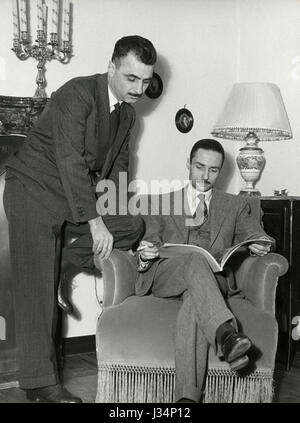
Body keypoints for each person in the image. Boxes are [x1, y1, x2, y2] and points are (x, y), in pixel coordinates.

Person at [3, 35, 157, 403]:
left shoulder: (127, 115)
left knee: (132, 224)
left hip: (73, 200)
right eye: (131, 78)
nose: (138, 88)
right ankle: (40, 385)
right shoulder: (77, 93)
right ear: (112, 67)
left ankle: (63, 267)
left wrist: (122, 221)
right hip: (33, 191)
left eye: (146, 81)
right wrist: (94, 221)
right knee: (36, 292)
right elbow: (71, 161)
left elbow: (118, 170)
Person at [135, 138, 274, 403]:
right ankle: (227, 335)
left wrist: (259, 243)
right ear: (188, 163)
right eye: (199, 167)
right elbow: (148, 243)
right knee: (194, 261)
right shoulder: (160, 202)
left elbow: (260, 235)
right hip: (169, 276)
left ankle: (186, 401)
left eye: (213, 169)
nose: (205, 175)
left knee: (194, 305)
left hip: (212, 282)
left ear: (221, 170)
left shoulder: (234, 205)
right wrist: (145, 254)